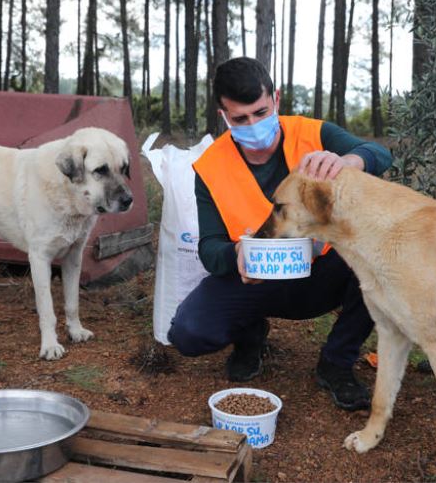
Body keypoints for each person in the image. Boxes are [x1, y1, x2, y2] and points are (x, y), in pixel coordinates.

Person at [167, 57, 392, 410]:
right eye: (240, 119)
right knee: (188, 331)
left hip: (323, 272)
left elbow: (379, 153)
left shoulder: (313, 134)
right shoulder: (210, 167)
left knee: (378, 257)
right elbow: (209, 249)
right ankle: (250, 338)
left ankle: (337, 362)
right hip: (255, 277)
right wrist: (236, 255)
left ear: (276, 99)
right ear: (223, 116)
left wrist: (349, 161)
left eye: (261, 112)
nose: (253, 125)